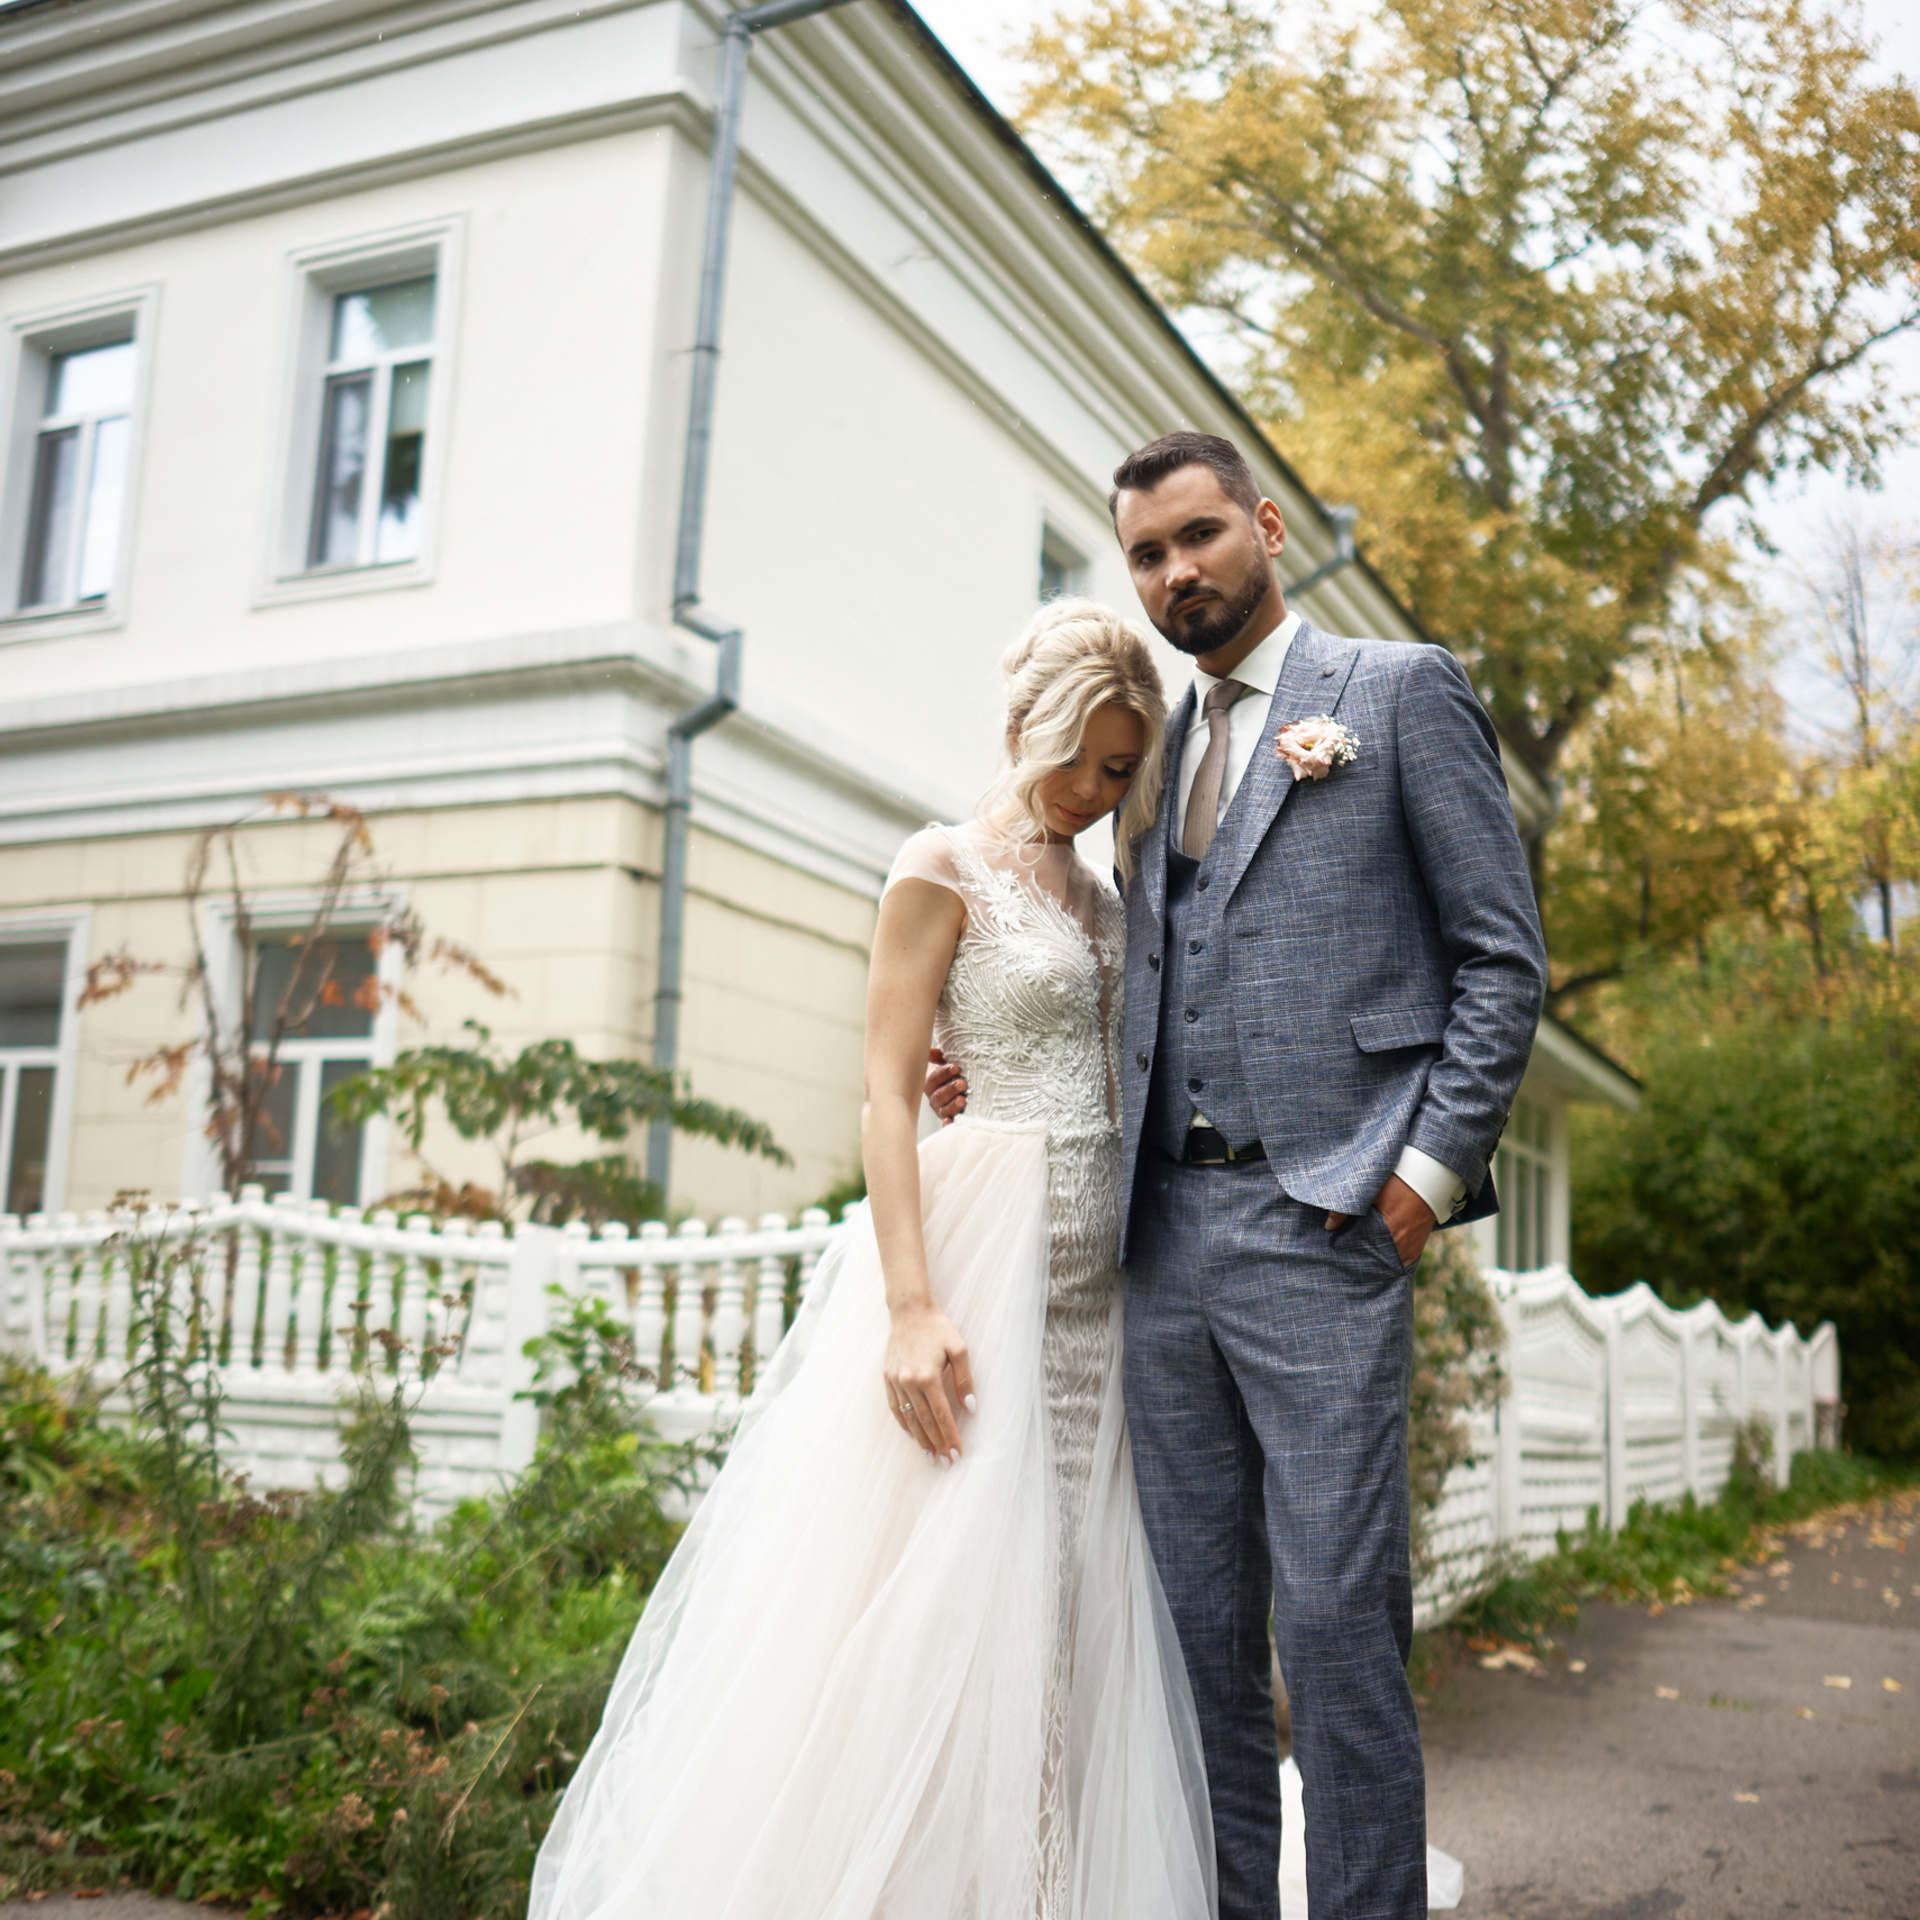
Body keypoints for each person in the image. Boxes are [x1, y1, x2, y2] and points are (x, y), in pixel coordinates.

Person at [930, 432, 1547, 1919]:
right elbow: (1141, 974)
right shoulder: (1151, 752)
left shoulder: (1394, 694)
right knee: (1194, 1642)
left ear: (1266, 526)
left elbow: (1501, 962)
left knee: (1335, 1627)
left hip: (1325, 1220)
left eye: (1199, 535)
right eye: (1145, 554)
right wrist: (988, 1068)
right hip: (1156, 1238)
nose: (1176, 572)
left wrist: (1419, 1180)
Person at [529, 600, 1216, 1920]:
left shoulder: (1113, 895)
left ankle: (1051, 1884)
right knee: (960, 1592)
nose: (1091, 791)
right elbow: (886, 1096)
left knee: (1077, 1598)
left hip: (1105, 1288)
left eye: (1120, 770)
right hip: (984, 1265)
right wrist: (911, 1307)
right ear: (1020, 728)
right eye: (1077, 758)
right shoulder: (939, 864)